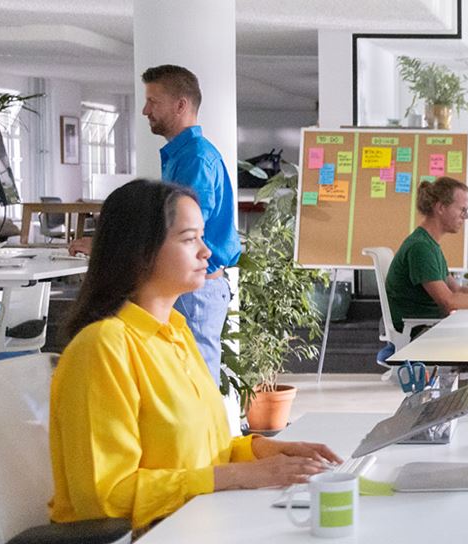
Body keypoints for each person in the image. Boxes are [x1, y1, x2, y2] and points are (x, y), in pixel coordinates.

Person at [50, 180, 339, 531]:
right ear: (140, 250)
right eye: (189, 239)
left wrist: (264, 452)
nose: (206, 251)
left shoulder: (175, 331)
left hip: (199, 522)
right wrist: (239, 475)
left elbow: (200, 454)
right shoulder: (102, 347)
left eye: (202, 237)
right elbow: (104, 497)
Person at [70, 64, 240, 387]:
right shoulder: (183, 155)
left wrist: (108, 245)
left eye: (153, 101)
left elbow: (180, 231)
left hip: (195, 292)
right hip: (191, 288)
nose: (145, 110)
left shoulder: (195, 159)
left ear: (180, 105)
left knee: (195, 386)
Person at [385, 176, 468, 340]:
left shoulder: (429, 244)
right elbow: (449, 302)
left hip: (431, 325)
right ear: (441, 208)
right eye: (462, 210)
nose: (465, 216)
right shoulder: (420, 248)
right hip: (420, 331)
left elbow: (456, 290)